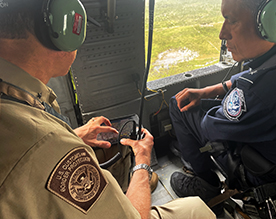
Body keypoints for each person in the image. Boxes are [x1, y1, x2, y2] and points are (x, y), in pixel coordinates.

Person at [0, 0, 216, 218]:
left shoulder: (15, 99)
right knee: (198, 210)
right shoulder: (49, 144)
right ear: (62, 31)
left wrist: (74, 136)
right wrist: (142, 162)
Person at [169, 0, 276, 216]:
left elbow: (211, 128)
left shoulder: (258, 94)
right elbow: (262, 73)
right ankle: (190, 150)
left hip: (258, 171)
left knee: (178, 104)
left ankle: (206, 184)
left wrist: (221, 101)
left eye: (231, 20)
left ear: (267, 23)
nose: (222, 33)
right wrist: (212, 90)